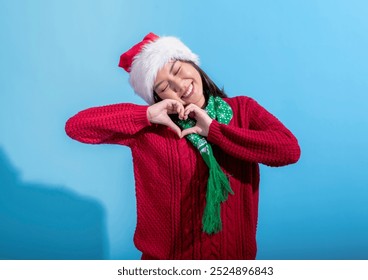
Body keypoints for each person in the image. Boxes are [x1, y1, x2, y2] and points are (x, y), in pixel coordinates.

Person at [65, 32, 301, 260]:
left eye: (177, 70)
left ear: (192, 63)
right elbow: (76, 127)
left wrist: (216, 132)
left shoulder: (242, 110)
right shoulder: (151, 129)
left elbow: (288, 150)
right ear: (158, 98)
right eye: (164, 87)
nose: (178, 85)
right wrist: (145, 115)